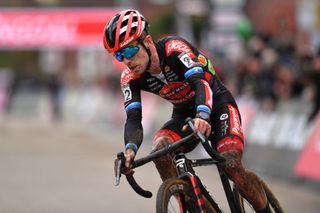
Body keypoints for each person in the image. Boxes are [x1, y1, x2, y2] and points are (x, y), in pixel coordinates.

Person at [104, 9, 271, 212]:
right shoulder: (129, 78)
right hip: (184, 114)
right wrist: (130, 151)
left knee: (231, 165)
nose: (127, 61)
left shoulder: (174, 48)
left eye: (129, 51)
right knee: (160, 151)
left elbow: (201, 83)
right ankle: (193, 202)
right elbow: (133, 118)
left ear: (147, 41)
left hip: (217, 103)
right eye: (119, 55)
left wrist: (202, 114)